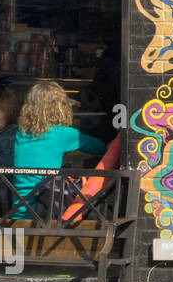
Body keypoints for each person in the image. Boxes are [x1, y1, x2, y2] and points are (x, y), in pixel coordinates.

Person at [11, 80, 107, 215]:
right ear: (60, 107)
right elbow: (100, 148)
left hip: (18, 214)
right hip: (45, 216)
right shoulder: (63, 134)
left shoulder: (21, 133)